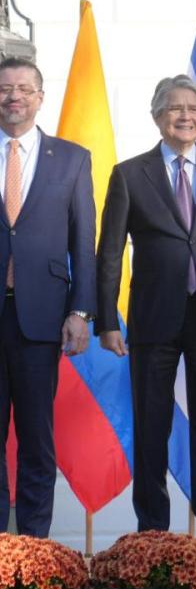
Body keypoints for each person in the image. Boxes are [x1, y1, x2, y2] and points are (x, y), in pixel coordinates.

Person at [97, 75, 196, 548]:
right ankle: (153, 537)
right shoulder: (130, 173)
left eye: (193, 108)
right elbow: (109, 253)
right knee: (151, 427)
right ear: (157, 117)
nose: (185, 115)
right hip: (152, 320)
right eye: (174, 108)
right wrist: (107, 319)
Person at [0, 57, 94, 537]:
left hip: (42, 318)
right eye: (4, 88)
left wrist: (81, 310)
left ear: (40, 97)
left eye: (23, 88)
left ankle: (35, 547)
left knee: (38, 440)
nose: (13, 96)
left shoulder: (73, 159)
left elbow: (84, 241)